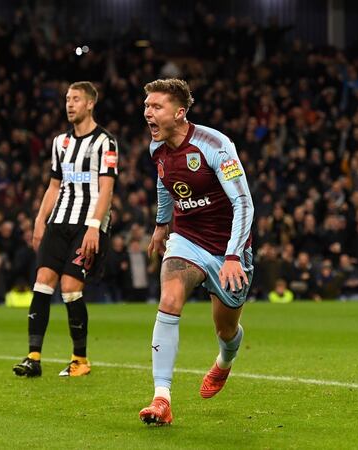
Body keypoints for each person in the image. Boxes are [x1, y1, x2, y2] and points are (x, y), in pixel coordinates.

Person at [137, 79, 254, 425]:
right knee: (169, 300)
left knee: (226, 330)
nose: (148, 113)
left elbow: (244, 203)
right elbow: (163, 181)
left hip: (228, 248)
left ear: (180, 113)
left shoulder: (214, 145)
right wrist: (161, 224)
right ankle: (161, 398)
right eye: (146, 106)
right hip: (187, 240)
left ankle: (224, 362)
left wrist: (233, 255)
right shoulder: (156, 148)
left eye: (156, 107)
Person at [13, 81, 118, 378]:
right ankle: (33, 357)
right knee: (43, 282)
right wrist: (39, 220)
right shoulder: (61, 142)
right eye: (67, 99)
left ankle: (80, 359)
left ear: (89, 104)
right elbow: (54, 185)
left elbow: (106, 188)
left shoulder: (105, 142)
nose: (69, 104)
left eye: (75, 99)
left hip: (88, 225)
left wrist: (95, 227)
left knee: (70, 289)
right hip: (58, 222)